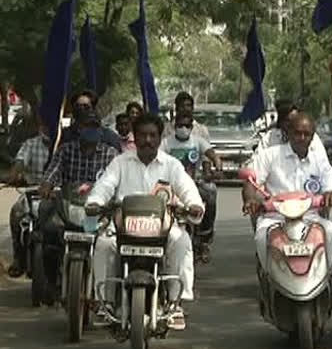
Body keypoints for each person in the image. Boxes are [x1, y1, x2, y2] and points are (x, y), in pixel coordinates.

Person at [86, 113, 204, 329]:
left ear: (160, 139)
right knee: (103, 244)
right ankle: (106, 303)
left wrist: (194, 205)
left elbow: (187, 189)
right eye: (142, 135)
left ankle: (177, 303)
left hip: (162, 228)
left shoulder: (172, 165)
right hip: (124, 226)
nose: (147, 140)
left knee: (181, 241)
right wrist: (95, 201)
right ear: (135, 137)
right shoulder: (120, 163)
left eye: (152, 135)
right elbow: (105, 185)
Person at [242, 112, 332, 284]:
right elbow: (251, 181)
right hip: (275, 218)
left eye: (307, 134)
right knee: (261, 235)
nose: (302, 138)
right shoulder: (270, 155)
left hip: (310, 217)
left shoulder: (320, 160)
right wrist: (251, 200)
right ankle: (268, 277)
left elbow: (329, 189)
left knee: (330, 230)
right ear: (288, 133)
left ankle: (326, 277)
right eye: (297, 133)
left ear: (313, 136)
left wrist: (331, 195)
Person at [37, 112, 119, 303]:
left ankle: (110, 293)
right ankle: (51, 281)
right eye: (86, 126)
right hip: (69, 205)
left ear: (100, 130)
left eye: (95, 127)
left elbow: (116, 180)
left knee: (113, 240)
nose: (91, 130)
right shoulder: (66, 150)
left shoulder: (111, 154)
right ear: (78, 129)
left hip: (99, 210)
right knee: (49, 231)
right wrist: (46, 185)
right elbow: (53, 171)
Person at [160, 110, 223, 263]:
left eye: (187, 125)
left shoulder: (197, 141)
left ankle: (205, 238)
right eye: (180, 125)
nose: (184, 128)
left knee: (211, 192)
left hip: (195, 183)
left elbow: (212, 154)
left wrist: (218, 165)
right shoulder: (167, 143)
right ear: (175, 126)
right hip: (172, 186)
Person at [6, 119, 50, 277]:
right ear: (40, 126)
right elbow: (20, 161)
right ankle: (18, 257)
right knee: (16, 212)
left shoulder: (64, 144)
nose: (48, 128)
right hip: (33, 191)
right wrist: (13, 174)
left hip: (56, 194)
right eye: (45, 124)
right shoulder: (31, 144)